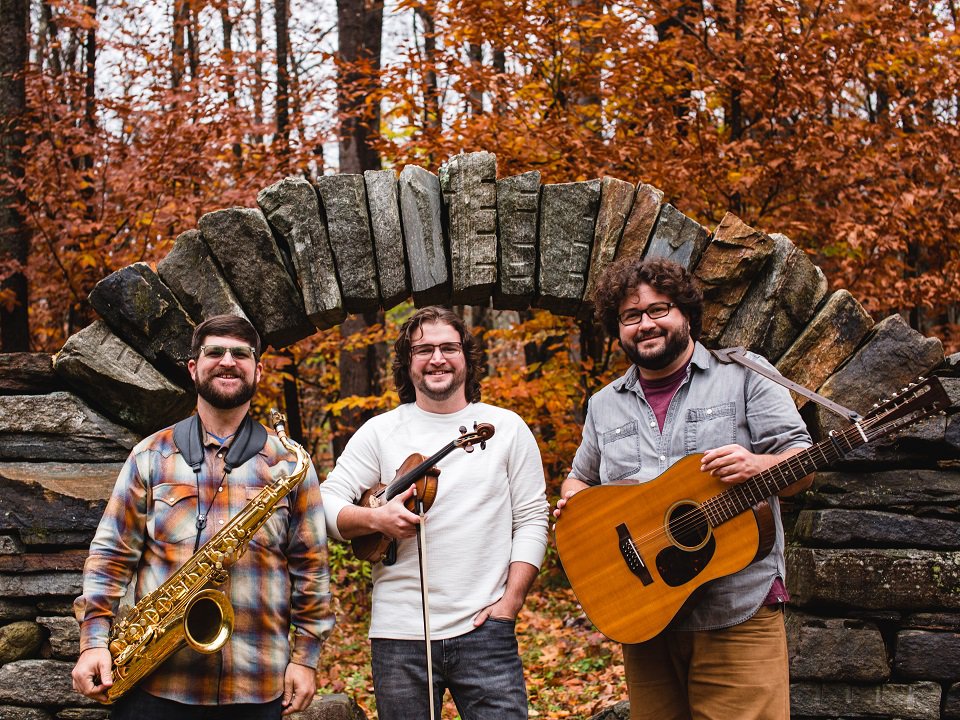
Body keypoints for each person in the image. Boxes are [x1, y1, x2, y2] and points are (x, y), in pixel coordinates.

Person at [555, 257, 813, 720]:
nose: (645, 324)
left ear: (686, 315)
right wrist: (575, 503)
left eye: (659, 310)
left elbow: (802, 465)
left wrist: (760, 464)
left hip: (736, 610)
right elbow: (581, 478)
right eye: (631, 316)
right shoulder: (603, 404)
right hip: (645, 614)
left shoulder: (745, 374)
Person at [71, 314, 335, 719]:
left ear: (258, 370)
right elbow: (109, 557)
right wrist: (93, 642)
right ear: (193, 367)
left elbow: (312, 569)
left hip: (257, 684)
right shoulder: (150, 456)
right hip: (154, 682)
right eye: (215, 351)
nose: (227, 361)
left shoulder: (290, 464)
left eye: (241, 353)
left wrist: (306, 657)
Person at [320, 306, 549, 720]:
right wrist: (376, 519)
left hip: (485, 632)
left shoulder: (507, 428)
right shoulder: (380, 431)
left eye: (448, 347)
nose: (437, 358)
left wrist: (510, 603)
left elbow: (532, 518)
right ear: (407, 363)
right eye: (423, 349)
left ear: (466, 357)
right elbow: (324, 505)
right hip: (398, 636)